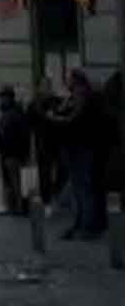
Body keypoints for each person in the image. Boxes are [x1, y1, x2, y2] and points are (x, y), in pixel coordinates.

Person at [48, 70, 108, 240]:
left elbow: (73, 121)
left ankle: (86, 226)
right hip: (76, 148)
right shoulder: (74, 97)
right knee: (79, 188)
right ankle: (81, 224)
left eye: (69, 80)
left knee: (83, 189)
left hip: (80, 148)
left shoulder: (82, 97)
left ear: (76, 81)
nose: (66, 82)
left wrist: (54, 118)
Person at [28, 77, 62, 215]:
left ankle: (54, 197)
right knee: (45, 173)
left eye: (48, 85)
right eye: (44, 85)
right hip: (43, 143)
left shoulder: (56, 101)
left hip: (55, 142)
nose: (46, 88)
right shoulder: (35, 103)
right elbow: (30, 125)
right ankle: (47, 200)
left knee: (57, 171)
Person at [0, 85, 31, 215]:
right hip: (9, 152)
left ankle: (19, 207)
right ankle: (14, 206)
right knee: (11, 181)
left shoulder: (13, 114)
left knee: (15, 181)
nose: (1, 100)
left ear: (9, 98)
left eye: (2, 97)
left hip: (12, 152)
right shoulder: (11, 113)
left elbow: (13, 135)